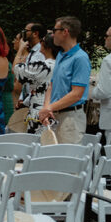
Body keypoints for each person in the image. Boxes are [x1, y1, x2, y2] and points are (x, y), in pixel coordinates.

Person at [38, 16, 91, 144]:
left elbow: (76, 94)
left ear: (65, 32)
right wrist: (47, 108)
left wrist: (49, 108)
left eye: (54, 30)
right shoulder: (61, 55)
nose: (52, 34)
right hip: (55, 115)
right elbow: (52, 84)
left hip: (71, 119)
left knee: (67, 159)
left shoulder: (80, 58)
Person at [12, 22, 52, 133]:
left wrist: (20, 49)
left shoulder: (41, 58)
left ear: (35, 34)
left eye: (26, 31)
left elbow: (17, 71)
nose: (23, 33)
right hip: (33, 102)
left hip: (39, 108)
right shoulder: (33, 52)